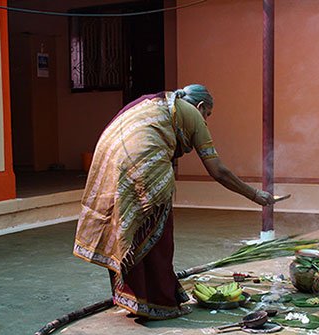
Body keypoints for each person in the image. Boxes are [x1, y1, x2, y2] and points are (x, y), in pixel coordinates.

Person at [73, 84, 280, 320]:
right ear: (201, 106)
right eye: (208, 115)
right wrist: (255, 195)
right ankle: (158, 302)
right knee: (157, 234)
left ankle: (131, 297)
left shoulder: (160, 103)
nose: (206, 121)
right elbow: (217, 171)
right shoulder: (192, 113)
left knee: (127, 229)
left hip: (112, 156)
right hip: (143, 163)